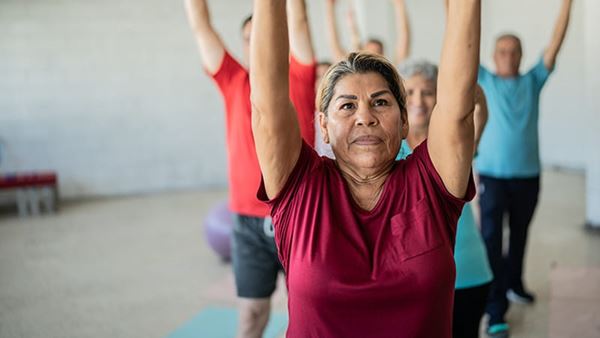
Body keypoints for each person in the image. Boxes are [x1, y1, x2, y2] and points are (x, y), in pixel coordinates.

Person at [250, 0, 480, 336]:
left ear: (404, 122)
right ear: (324, 126)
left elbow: (458, 110)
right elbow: (267, 107)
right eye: (347, 105)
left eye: (381, 102)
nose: (365, 117)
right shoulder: (300, 187)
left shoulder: (431, 184)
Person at [184, 0, 316, 337]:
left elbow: (297, 18)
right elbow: (201, 25)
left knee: (309, 313)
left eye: (264, 32)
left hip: (298, 217)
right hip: (247, 223)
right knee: (251, 316)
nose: (257, 40)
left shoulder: (299, 74)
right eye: (249, 36)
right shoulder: (233, 80)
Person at [474, 1, 574, 336]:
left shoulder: (533, 80)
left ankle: (515, 283)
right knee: (490, 239)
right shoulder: (484, 79)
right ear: (493, 54)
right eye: (502, 50)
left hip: (528, 176)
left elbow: (556, 42)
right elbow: (463, 40)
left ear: (521, 54)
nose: (508, 55)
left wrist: (567, 5)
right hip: (491, 176)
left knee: (519, 236)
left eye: (514, 50)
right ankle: (495, 306)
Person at [397, 59, 492, 338]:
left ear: (440, 96)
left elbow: (477, 118)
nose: (418, 100)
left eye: (427, 91)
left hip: (467, 273)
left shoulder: (453, 146)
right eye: (409, 92)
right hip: (412, 280)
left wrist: (474, 97)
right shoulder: (386, 150)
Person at [325, 0, 410, 64]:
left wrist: (399, 5)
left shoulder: (390, 73)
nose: (372, 57)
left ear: (383, 56)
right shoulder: (350, 71)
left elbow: (404, 41)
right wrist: (330, 7)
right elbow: (334, 44)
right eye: (368, 53)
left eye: (377, 53)